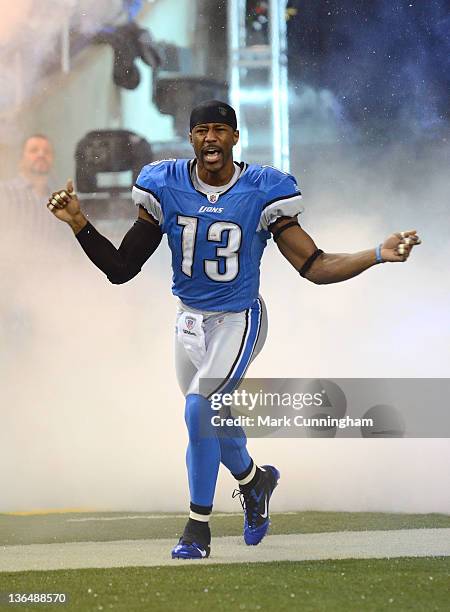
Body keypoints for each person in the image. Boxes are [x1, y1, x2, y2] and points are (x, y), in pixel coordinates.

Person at [47, 100, 421, 560]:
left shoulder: (263, 189)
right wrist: (80, 224)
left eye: (220, 130)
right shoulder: (163, 185)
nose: (210, 139)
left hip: (238, 319)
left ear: (235, 137)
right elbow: (122, 269)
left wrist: (376, 254)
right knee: (212, 419)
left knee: (197, 409)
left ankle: (197, 528)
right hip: (188, 321)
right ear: (190, 139)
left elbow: (315, 265)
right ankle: (254, 481)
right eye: (201, 130)